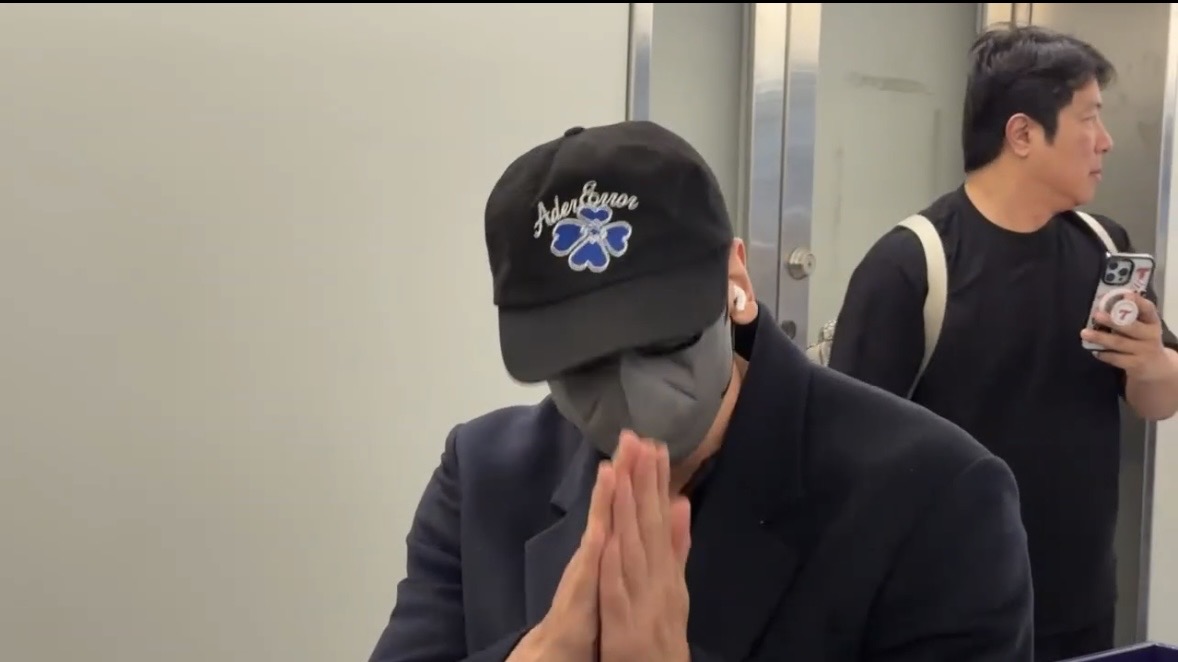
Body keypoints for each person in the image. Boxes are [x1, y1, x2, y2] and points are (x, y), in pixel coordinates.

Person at [368, 120, 1034, 662]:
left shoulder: (936, 497)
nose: (630, 391)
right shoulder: (483, 478)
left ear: (734, 280)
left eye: (663, 339)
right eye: (581, 361)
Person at [827, 25, 1178, 662]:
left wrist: (1152, 362)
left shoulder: (1105, 247)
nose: (1106, 140)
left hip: (1079, 608)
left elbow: (1158, 401)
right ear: (1022, 134)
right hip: (947, 614)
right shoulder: (913, 265)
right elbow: (845, 458)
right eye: (1088, 119)